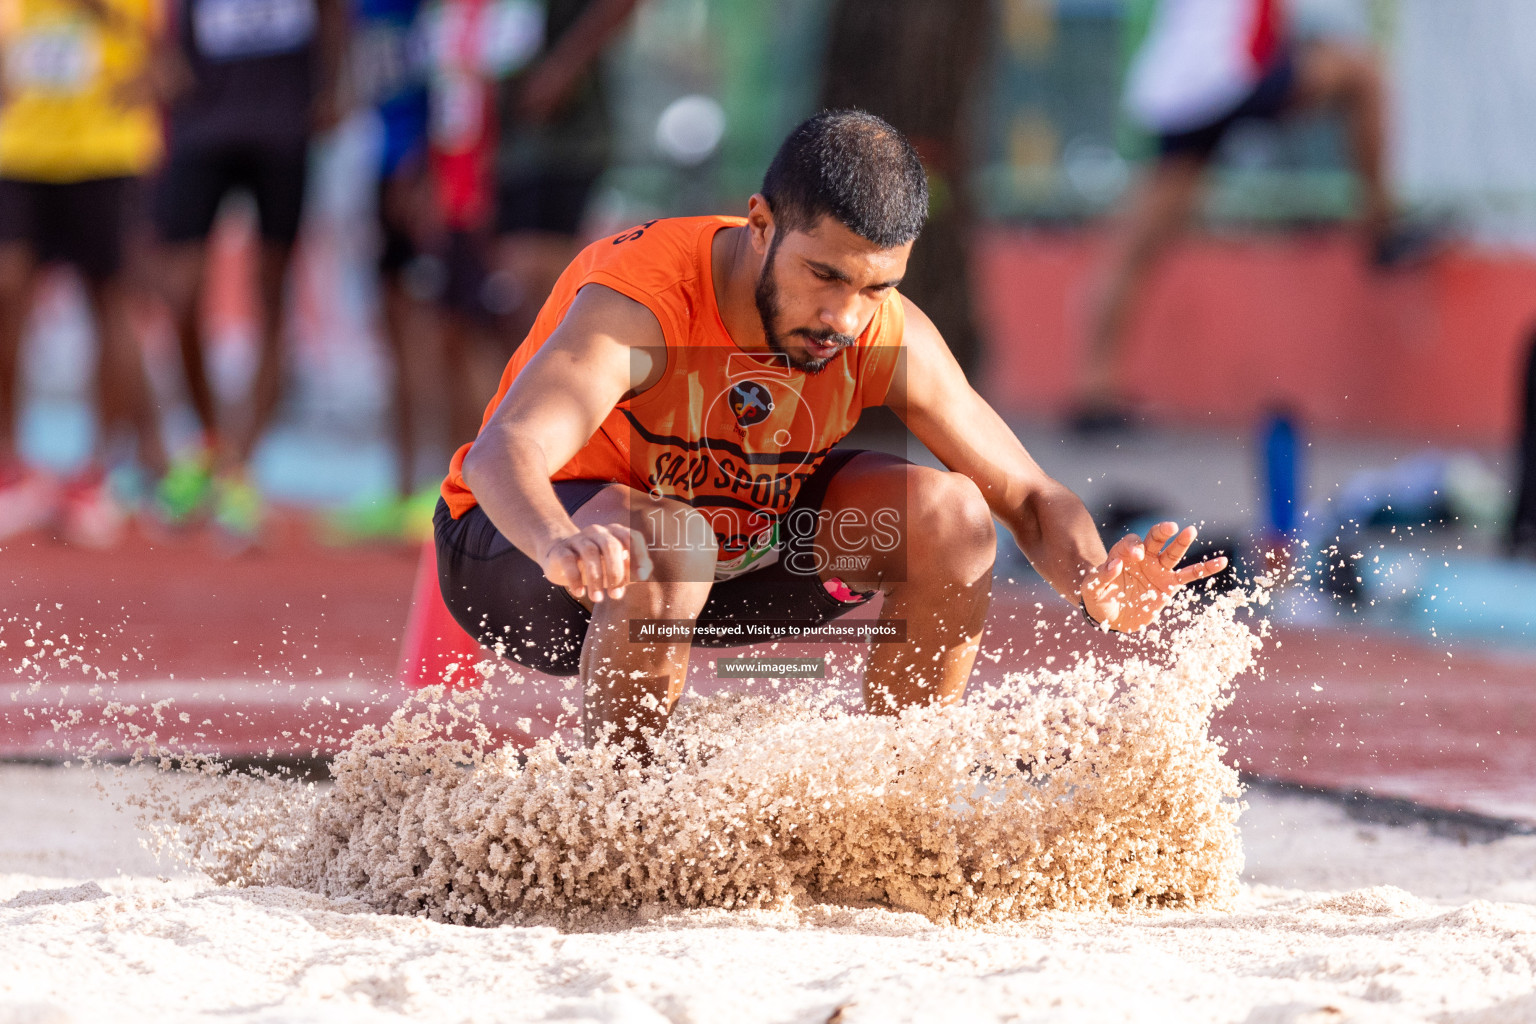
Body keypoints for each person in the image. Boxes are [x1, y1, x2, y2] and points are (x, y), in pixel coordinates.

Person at [436, 110, 1227, 754]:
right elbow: (511, 449)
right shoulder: (643, 298)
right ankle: (621, 820)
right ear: (759, 224)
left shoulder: (885, 331)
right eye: (825, 276)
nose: (843, 318)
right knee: (671, 543)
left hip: (725, 558)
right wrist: (554, 542)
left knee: (949, 517)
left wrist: (1094, 583)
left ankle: (897, 803)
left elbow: (1026, 493)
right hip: (531, 562)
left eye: (876, 286)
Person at [1078, 0, 1434, 428]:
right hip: (1225, 74)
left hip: (1194, 81)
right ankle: (1380, 229)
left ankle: (1097, 388)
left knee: (1138, 245)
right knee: (1363, 77)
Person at [150, 0, 345, 542]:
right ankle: (211, 445)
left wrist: (333, 84)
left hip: (282, 122)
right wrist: (165, 54)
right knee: (178, 294)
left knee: (271, 296)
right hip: (203, 120)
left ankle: (239, 471)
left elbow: (333, 13)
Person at [0, 0, 171, 548]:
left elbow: (166, 55)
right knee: (7, 293)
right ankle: (9, 468)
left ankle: (96, 475)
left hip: (104, 150)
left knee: (109, 306)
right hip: (22, 149)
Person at [490, 0, 636, 346]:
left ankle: (558, 386)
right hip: (500, 140)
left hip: (564, 141)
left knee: (537, 279)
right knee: (502, 294)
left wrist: (562, 69)